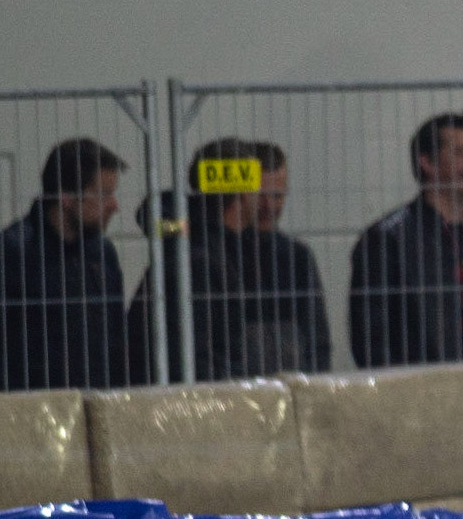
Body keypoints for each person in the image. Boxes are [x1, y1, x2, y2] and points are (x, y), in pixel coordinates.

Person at [126, 138, 332, 382]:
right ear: (243, 194)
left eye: (276, 196)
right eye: (259, 192)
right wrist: (199, 224)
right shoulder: (204, 249)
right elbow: (151, 219)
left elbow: (318, 342)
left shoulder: (293, 257)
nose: (267, 205)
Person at [0, 138, 130, 391]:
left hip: (96, 412)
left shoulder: (101, 253)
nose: (114, 205)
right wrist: (24, 404)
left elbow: (117, 340)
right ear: (66, 198)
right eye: (103, 194)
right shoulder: (13, 253)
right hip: (35, 417)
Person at [349, 111, 463, 369]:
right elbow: (370, 339)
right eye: (460, 153)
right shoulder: (387, 240)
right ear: (427, 163)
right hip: (423, 396)